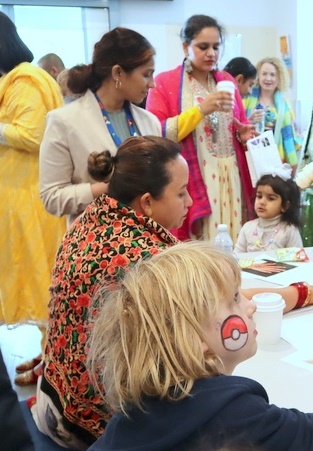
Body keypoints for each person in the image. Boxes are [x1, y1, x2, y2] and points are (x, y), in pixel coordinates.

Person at [34, 136, 313, 448]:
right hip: (97, 419)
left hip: (59, 394)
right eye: (181, 193)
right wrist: (309, 294)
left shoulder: (95, 216)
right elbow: (223, 301)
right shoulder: (144, 256)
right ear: (147, 202)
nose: (190, 202)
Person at [87, 241, 313, 450]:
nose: (251, 306)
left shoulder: (139, 405)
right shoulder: (233, 410)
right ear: (197, 339)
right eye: (235, 300)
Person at [0, 11, 67, 386]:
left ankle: (57, 371)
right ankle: (50, 363)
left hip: (29, 200)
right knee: (41, 283)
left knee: (43, 283)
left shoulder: (26, 77)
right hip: (19, 197)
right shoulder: (16, 78)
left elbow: (33, 134)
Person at [147, 14, 256, 240]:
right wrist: (201, 110)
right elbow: (156, 133)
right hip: (197, 177)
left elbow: (238, 124)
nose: (211, 53)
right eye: (203, 46)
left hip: (231, 173)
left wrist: (242, 133)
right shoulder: (165, 83)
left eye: (216, 47)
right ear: (186, 46)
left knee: (235, 238)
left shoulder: (226, 80)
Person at [39, 27, 161, 226]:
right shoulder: (64, 121)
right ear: (118, 72)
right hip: (95, 244)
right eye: (146, 74)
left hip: (145, 240)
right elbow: (52, 198)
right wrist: (107, 188)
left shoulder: (149, 122)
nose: (152, 84)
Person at [243, 57, 301, 169]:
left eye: (273, 75)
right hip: (251, 159)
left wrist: (293, 165)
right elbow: (237, 128)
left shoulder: (285, 105)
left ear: (279, 78)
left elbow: (290, 138)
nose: (268, 78)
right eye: (264, 74)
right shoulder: (246, 100)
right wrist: (249, 121)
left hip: (277, 160)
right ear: (258, 76)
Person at [235, 169, 303, 253]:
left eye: (270, 198)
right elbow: (236, 258)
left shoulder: (289, 230)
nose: (262, 202)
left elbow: (298, 260)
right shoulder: (247, 228)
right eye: (259, 196)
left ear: (285, 206)